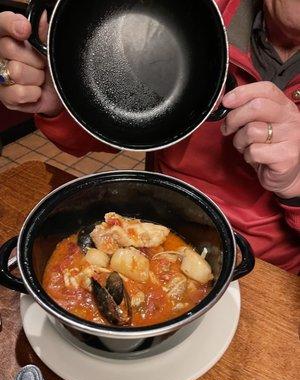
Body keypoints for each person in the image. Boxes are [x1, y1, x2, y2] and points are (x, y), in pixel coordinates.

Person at [0, 0, 299, 273]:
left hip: (269, 273)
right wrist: (61, 99)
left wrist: (296, 183)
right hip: (159, 229)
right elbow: (118, 123)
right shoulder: (199, 16)